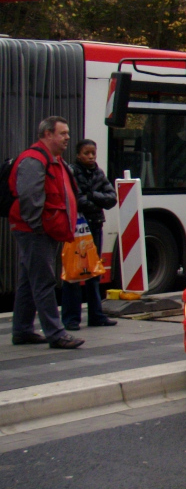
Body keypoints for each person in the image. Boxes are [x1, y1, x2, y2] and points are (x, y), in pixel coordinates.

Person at [8, 116, 83, 349]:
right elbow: (30, 198)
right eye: (63, 133)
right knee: (43, 281)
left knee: (29, 282)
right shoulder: (33, 160)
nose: (67, 138)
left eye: (67, 133)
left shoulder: (52, 159)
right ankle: (56, 333)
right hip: (36, 231)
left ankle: (22, 330)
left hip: (42, 230)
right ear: (47, 134)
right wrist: (38, 227)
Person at [61, 139, 118, 330]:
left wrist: (92, 196)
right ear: (78, 155)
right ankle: (71, 319)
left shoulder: (98, 173)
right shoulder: (71, 172)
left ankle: (96, 315)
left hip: (94, 225)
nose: (91, 157)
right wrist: (96, 199)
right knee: (74, 272)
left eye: (93, 153)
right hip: (77, 228)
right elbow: (75, 200)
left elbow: (112, 199)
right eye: (87, 153)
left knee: (94, 271)